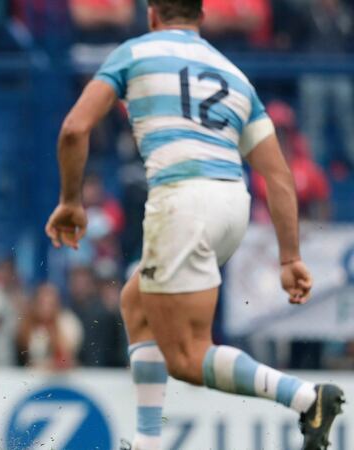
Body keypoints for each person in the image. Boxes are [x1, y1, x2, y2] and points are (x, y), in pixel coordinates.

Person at [44, 1, 344, 450]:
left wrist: (70, 201)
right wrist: (291, 257)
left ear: (151, 15)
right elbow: (279, 175)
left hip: (182, 201)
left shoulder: (135, 52)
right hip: (231, 205)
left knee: (187, 357)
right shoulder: (233, 74)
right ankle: (147, 442)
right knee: (137, 303)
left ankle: (306, 398)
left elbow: (73, 129)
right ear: (201, 17)